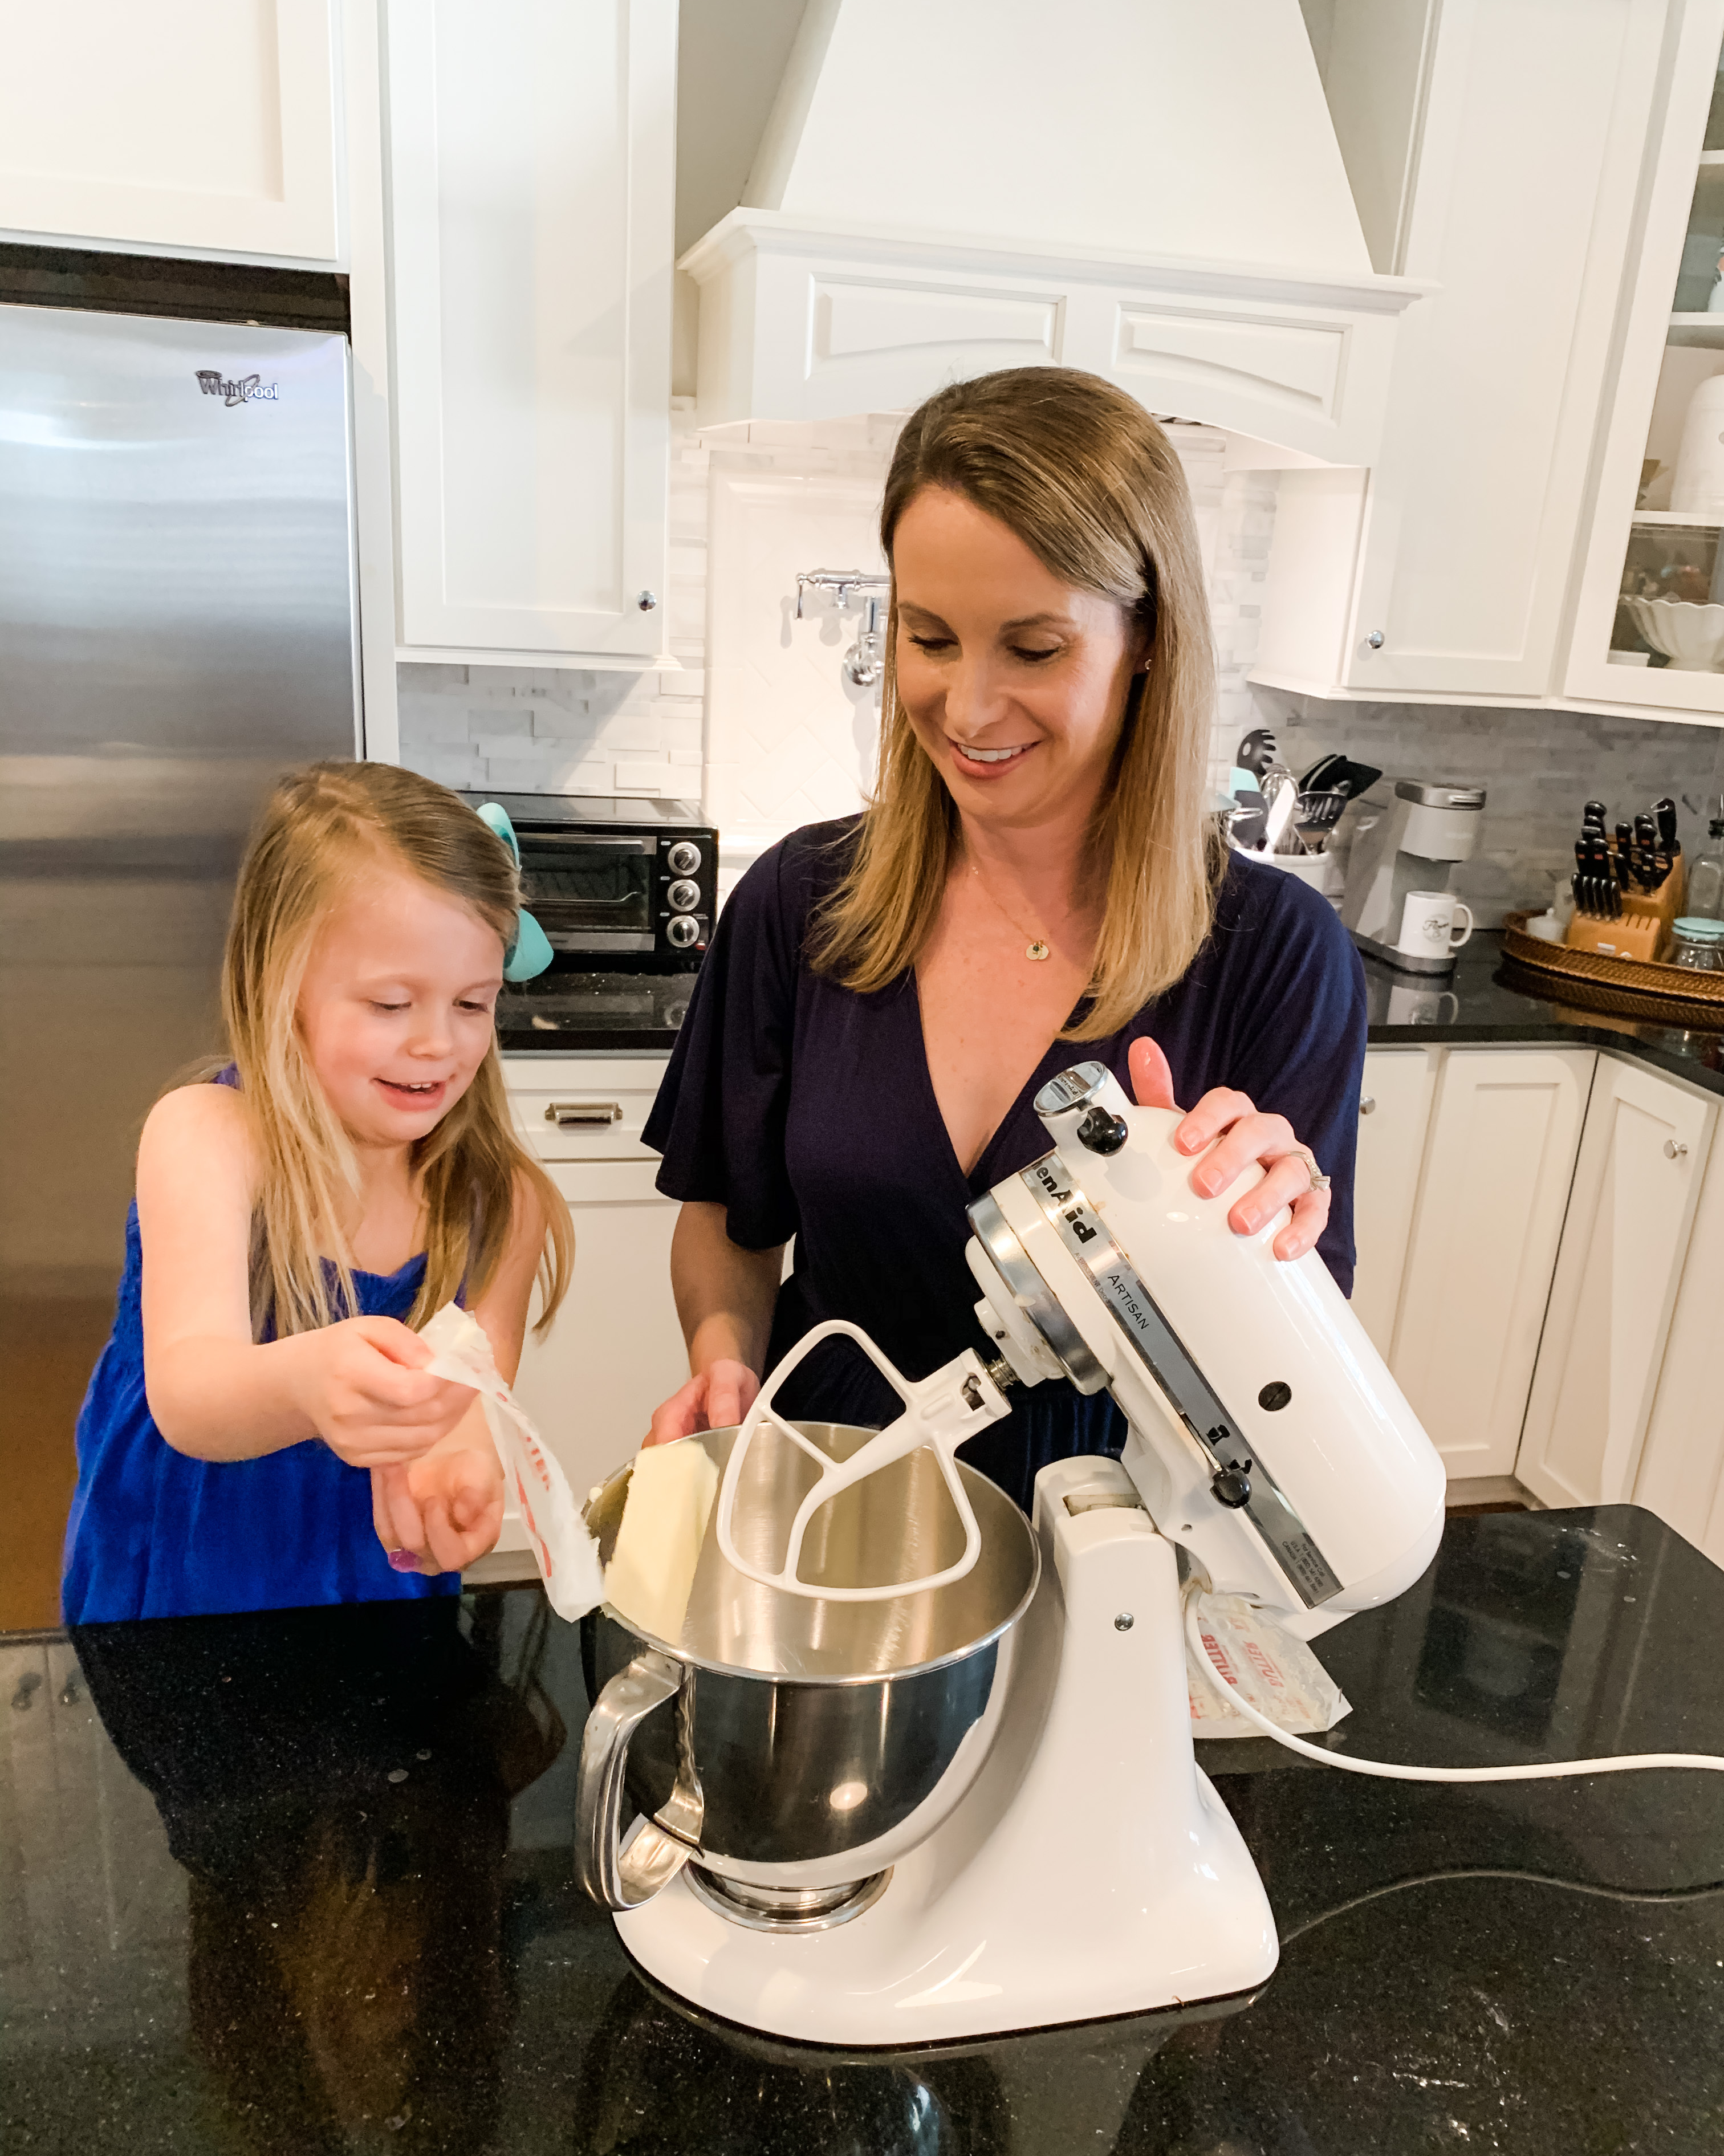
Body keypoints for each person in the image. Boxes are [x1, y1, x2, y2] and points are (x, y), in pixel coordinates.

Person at [641, 367, 1366, 1506]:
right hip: (830, 1506)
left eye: (1033, 649)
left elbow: (1291, 1384)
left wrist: (1254, 1224)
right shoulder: (799, 904)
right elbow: (729, 1232)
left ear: (1147, 641)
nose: (969, 711)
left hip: (1119, 1546)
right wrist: (722, 1364)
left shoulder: (1276, 954)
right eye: (929, 638)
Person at [62, 762, 575, 1621]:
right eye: (389, 1003)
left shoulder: (501, 1201)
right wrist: (307, 1383)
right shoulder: (209, 1138)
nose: (436, 1044)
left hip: (373, 1594)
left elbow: (471, 1407)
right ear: (281, 983)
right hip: (183, 1588)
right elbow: (190, 1394)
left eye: (473, 1004)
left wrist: (460, 1470)